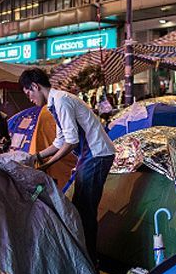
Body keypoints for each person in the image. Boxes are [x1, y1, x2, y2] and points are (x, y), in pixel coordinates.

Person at [19, 68, 115, 263]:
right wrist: (36, 156)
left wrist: (49, 164)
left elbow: (70, 141)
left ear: (35, 86)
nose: (29, 98)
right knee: (80, 208)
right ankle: (87, 256)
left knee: (84, 210)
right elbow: (59, 140)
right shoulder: (55, 103)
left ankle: (89, 260)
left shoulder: (61, 100)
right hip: (90, 156)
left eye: (28, 93)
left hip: (96, 155)